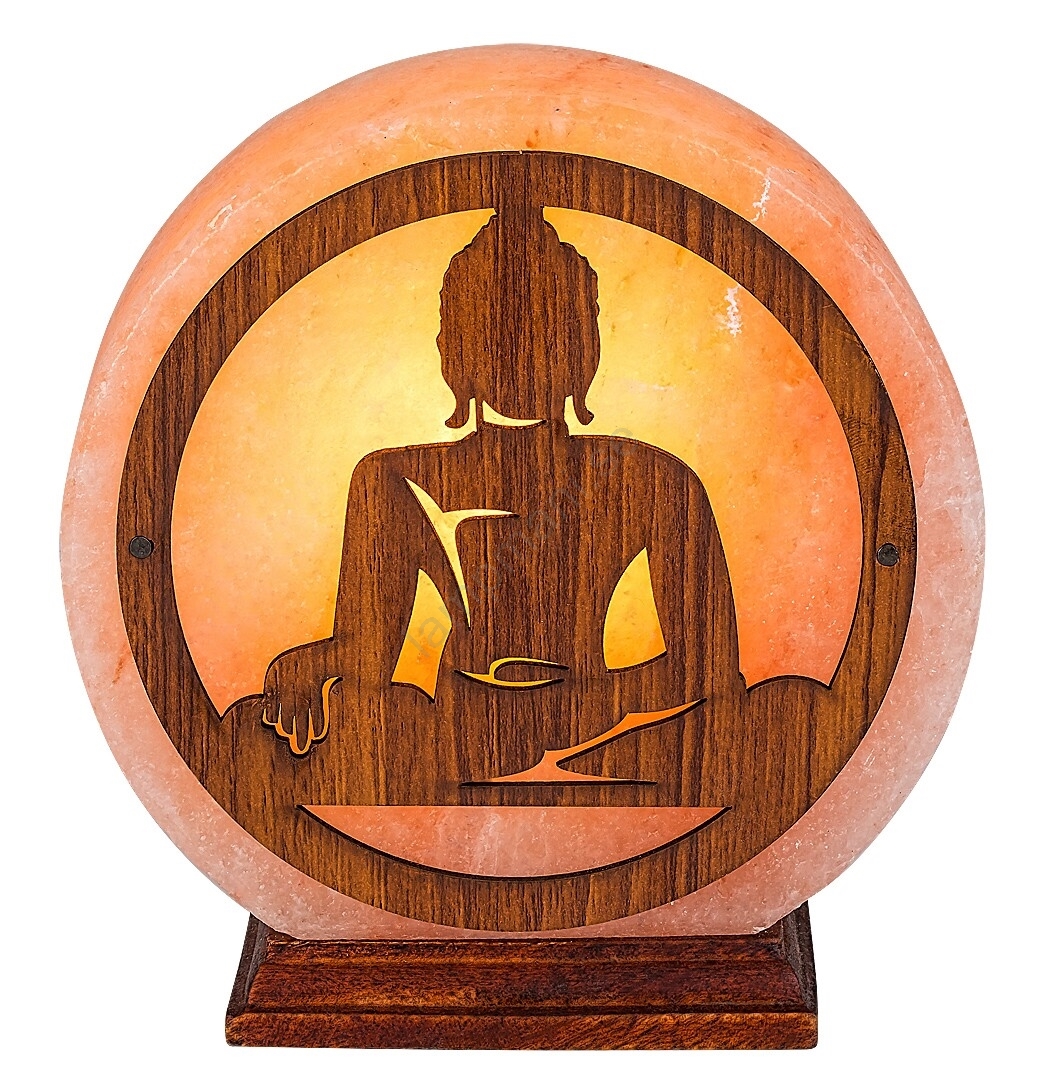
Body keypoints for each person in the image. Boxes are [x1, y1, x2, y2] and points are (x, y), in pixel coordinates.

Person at [241, 181, 742, 807]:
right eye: (494, 330)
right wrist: (308, 665)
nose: (519, 354)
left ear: (586, 353)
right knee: (321, 727)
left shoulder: (654, 480)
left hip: (601, 727)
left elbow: (710, 668)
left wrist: (584, 702)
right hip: (455, 727)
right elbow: (367, 654)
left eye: (547, 329)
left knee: (747, 726)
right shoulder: (395, 480)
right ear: (451, 353)